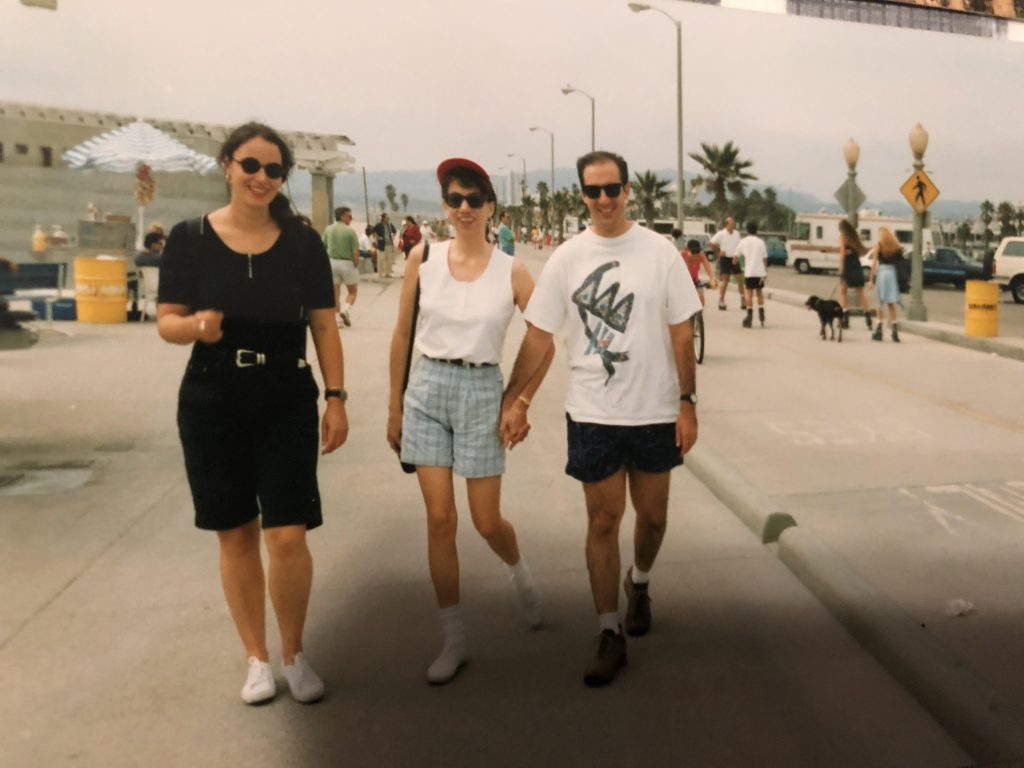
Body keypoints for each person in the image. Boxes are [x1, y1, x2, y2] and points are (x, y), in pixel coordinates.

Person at [156, 122, 348, 705]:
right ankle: (257, 659)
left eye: (273, 170)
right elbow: (167, 319)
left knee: (287, 534)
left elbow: (322, 323)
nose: (261, 178)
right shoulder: (190, 238)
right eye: (251, 166)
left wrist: (336, 398)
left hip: (285, 395)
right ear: (227, 166)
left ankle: (294, 653)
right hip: (212, 397)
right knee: (235, 532)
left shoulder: (303, 243)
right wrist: (194, 327)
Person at [500, 150, 701, 688]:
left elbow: (683, 330)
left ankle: (641, 582)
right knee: (603, 521)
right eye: (594, 191)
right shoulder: (568, 257)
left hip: (656, 410)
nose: (605, 200)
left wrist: (688, 401)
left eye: (613, 189)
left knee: (652, 519)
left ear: (627, 191)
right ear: (583, 195)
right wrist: (513, 400)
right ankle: (608, 631)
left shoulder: (660, 252)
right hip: (593, 412)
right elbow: (540, 335)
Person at [387, 158, 553, 685]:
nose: (463, 208)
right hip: (428, 388)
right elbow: (401, 334)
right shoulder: (423, 257)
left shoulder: (513, 270)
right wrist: (395, 404)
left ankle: (518, 570)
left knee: (485, 521)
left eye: (474, 199)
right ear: (444, 204)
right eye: (454, 198)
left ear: (490, 207)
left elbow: (543, 336)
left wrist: (518, 400)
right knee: (440, 520)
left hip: (483, 389)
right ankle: (453, 638)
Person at [322, 206, 361, 327]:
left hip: (332, 262)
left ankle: (338, 319)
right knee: (353, 292)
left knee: (335, 294)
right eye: (349, 216)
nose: (351, 218)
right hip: (347, 263)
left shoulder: (328, 229)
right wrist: (355, 263)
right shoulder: (350, 231)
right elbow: (355, 252)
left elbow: (323, 246)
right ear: (343, 216)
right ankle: (346, 309)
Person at [838, 219, 873, 331]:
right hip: (856, 265)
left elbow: (842, 253)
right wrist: (852, 252)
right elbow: (862, 251)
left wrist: (841, 268)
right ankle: (868, 318)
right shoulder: (854, 237)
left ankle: (845, 318)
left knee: (843, 292)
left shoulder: (843, 236)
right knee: (860, 293)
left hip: (848, 265)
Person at [870, 226, 902, 342]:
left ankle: (879, 331)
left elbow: (874, 263)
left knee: (880, 303)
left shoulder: (879, 245)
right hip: (892, 273)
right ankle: (895, 332)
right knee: (891, 304)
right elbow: (900, 262)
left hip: (882, 273)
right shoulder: (896, 247)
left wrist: (871, 279)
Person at [737, 220, 768, 328]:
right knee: (759, 292)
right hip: (760, 272)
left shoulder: (743, 242)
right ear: (756, 230)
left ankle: (749, 316)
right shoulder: (761, 242)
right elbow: (765, 259)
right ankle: (761, 311)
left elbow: (736, 256)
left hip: (749, 271)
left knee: (749, 293)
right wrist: (765, 272)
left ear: (747, 230)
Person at [710, 216, 744, 311]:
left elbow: (739, 245)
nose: (733, 226)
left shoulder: (737, 234)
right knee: (726, 280)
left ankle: (743, 299)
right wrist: (718, 252)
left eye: (734, 224)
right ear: (726, 224)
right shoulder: (721, 234)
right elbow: (712, 243)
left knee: (740, 280)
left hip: (734, 258)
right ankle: (721, 300)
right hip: (725, 259)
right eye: (731, 224)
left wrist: (738, 256)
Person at [681, 238, 717, 305]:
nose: (695, 254)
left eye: (697, 251)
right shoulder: (682, 255)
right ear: (687, 250)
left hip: (695, 280)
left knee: (701, 299)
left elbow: (709, 269)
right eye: (693, 252)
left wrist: (712, 280)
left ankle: (699, 314)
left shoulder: (701, 255)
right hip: (684, 281)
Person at [374, 213, 398, 277]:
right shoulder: (379, 225)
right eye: (387, 218)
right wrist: (378, 237)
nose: (388, 219)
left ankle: (388, 273)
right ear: (383, 218)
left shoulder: (389, 225)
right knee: (381, 259)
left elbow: (395, 231)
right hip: (382, 245)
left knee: (389, 260)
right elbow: (373, 231)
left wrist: (393, 236)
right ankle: (380, 273)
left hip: (389, 244)